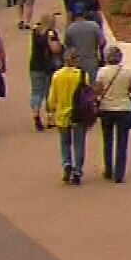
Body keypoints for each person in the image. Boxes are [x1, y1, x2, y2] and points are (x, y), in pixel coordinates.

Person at [45, 50, 93, 185]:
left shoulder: (57, 76)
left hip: (62, 114)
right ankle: (78, 170)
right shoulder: (83, 76)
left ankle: (66, 164)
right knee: (79, 143)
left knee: (65, 142)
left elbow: (52, 99)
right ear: (76, 60)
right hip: (78, 114)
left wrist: (52, 110)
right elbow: (87, 95)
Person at [93, 46, 131, 183]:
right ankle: (119, 173)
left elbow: (98, 91)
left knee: (107, 140)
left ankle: (108, 169)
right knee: (122, 141)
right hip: (124, 109)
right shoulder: (128, 72)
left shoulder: (101, 72)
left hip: (107, 109)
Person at [27, 17, 63, 132]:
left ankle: (36, 114)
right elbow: (55, 49)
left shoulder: (35, 32)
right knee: (49, 92)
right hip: (47, 67)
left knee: (36, 92)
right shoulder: (51, 33)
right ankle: (50, 118)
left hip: (34, 66)